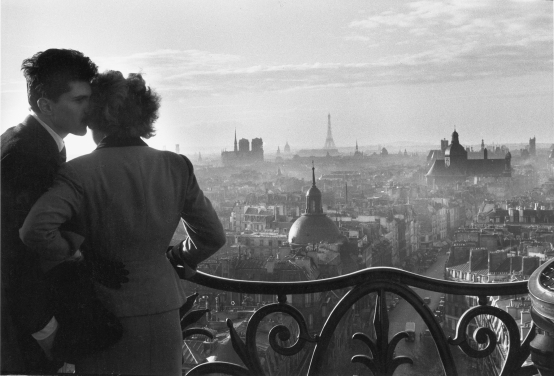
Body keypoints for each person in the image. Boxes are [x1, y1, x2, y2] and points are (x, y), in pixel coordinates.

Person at [20, 70, 226, 376]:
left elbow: (35, 231)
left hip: (103, 311)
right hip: (162, 306)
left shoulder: (80, 172)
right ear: (146, 115)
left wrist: (77, 254)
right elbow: (212, 235)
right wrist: (178, 256)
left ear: (94, 117)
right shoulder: (175, 165)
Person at [1, 48, 97, 373]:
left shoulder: (26, 141)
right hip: (23, 331)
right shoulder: (27, 157)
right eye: (79, 100)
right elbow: (13, 255)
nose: (90, 108)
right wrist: (49, 333)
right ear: (46, 105)